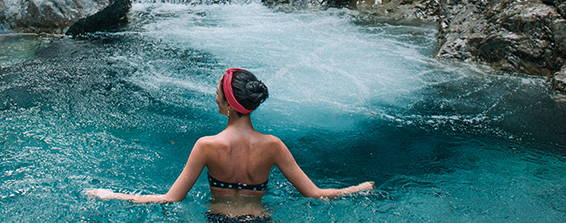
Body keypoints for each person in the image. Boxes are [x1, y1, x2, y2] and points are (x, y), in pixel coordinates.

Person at [87, 68, 374, 221]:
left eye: (216, 94)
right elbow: (315, 194)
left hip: (218, 219)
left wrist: (111, 195)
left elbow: (170, 199)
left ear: (227, 104)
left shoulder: (206, 146)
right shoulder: (273, 145)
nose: (214, 98)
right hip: (260, 219)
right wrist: (358, 189)